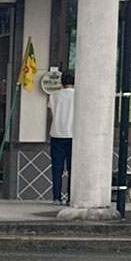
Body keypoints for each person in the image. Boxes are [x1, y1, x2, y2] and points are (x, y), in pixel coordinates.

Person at [48, 70, 76, 202]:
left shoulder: (54, 95)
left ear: (62, 82)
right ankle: (71, 197)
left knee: (57, 168)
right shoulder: (78, 96)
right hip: (73, 135)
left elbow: (51, 113)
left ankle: (56, 198)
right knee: (72, 168)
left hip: (56, 134)